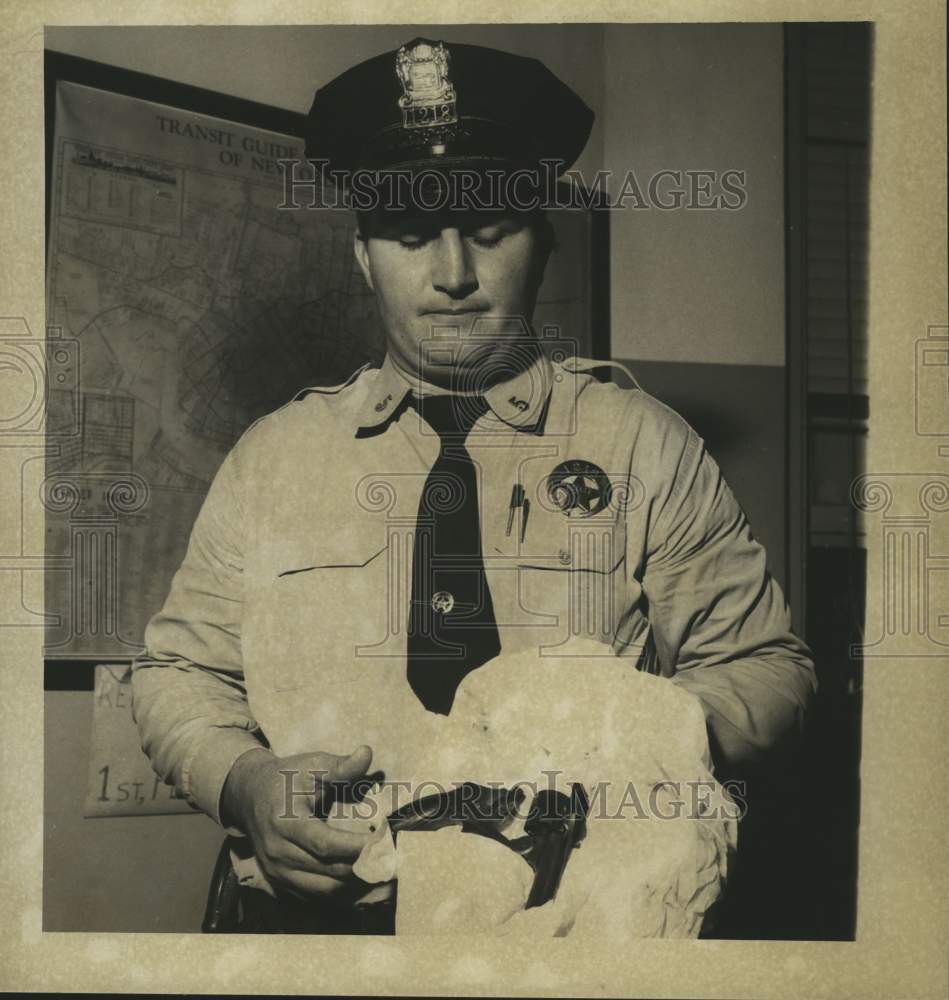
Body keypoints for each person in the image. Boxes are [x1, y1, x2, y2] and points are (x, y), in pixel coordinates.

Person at [131, 37, 816, 933]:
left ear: (542, 245)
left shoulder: (644, 444)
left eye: (489, 230)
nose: (453, 275)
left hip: (563, 933)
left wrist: (635, 728)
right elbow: (177, 671)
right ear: (363, 256)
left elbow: (771, 672)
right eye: (412, 236)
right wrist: (247, 784)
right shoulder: (274, 458)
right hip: (317, 929)